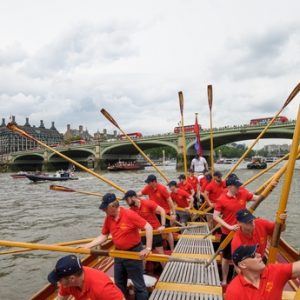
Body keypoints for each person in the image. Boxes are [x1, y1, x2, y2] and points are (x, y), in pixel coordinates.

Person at [84, 193, 152, 300]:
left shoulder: (129, 214)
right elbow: (104, 236)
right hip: (118, 254)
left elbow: (148, 227)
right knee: (119, 283)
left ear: (113, 206)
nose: (104, 211)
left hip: (133, 253)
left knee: (138, 285)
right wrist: (87, 246)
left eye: (105, 208)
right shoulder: (108, 218)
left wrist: (147, 248)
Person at [213, 177, 264, 286]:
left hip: (243, 233)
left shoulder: (243, 193)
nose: (239, 188)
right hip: (228, 233)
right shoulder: (221, 199)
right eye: (236, 186)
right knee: (226, 258)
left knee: (247, 257)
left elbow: (257, 198)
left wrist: (268, 191)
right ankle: (225, 280)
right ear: (230, 187)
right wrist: (229, 227)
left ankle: (248, 279)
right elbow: (215, 216)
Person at [226, 244, 300, 300]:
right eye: (253, 255)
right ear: (242, 264)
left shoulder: (274, 271)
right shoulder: (234, 291)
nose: (259, 255)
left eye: (257, 252)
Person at [47, 254, 124, 300]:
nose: (58, 284)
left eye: (59, 280)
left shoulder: (102, 289)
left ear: (72, 278)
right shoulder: (66, 283)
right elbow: (61, 298)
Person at [138, 174, 176, 250]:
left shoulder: (162, 188)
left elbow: (170, 200)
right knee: (155, 230)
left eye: (149, 182)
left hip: (165, 213)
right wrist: (134, 196)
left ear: (154, 182)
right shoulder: (148, 187)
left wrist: (173, 213)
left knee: (167, 231)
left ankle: (172, 249)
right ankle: (155, 246)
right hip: (154, 213)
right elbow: (140, 193)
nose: (148, 184)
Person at [123, 190, 166, 255]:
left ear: (133, 198)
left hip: (155, 231)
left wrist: (163, 225)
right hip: (143, 233)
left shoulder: (147, 203)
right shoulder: (131, 210)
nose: (126, 202)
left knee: (160, 253)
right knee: (142, 255)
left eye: (127, 199)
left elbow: (162, 210)